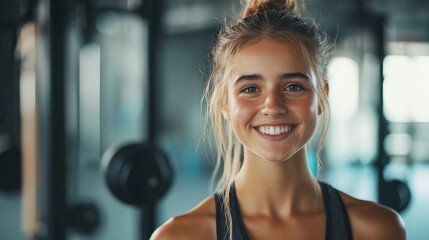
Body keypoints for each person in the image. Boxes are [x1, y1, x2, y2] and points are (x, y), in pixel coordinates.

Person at [150, 0, 406, 239]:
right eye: (250, 88)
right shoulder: (180, 236)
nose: (272, 106)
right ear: (224, 103)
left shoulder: (378, 229)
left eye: (293, 86)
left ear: (321, 98)